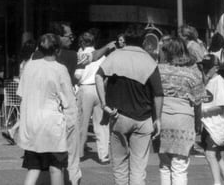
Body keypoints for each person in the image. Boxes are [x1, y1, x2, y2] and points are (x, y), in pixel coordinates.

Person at [95, 24, 164, 185]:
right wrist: (158, 119)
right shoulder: (149, 61)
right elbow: (158, 93)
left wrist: (104, 104)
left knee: (119, 166)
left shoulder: (114, 56)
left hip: (118, 116)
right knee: (138, 168)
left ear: (125, 40)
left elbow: (98, 77)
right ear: (143, 41)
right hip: (143, 118)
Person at [16, 33, 75, 185]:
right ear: (58, 50)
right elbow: (69, 101)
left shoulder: (30, 66)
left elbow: (21, 94)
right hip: (52, 123)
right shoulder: (60, 69)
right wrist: (71, 124)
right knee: (56, 167)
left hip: (31, 123)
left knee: (33, 167)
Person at [156, 37, 206, 185]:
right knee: (180, 166)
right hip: (183, 120)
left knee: (164, 165)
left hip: (162, 118)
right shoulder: (192, 73)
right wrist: (198, 122)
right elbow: (198, 101)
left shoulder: (158, 70)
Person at [76, 32, 113, 164]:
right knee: (101, 124)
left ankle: (79, 152)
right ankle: (104, 155)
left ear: (81, 42)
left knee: (82, 123)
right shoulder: (102, 56)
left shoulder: (79, 54)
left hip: (85, 89)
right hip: (99, 89)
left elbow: (78, 76)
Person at [199, 54, 224, 185]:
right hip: (208, 124)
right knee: (217, 155)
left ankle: (217, 182)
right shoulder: (207, 81)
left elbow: (221, 107)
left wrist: (203, 111)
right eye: (204, 67)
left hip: (218, 124)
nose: (205, 70)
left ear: (216, 68)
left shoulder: (220, 82)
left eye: (208, 68)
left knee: (210, 154)